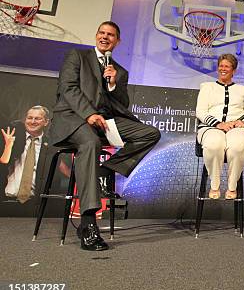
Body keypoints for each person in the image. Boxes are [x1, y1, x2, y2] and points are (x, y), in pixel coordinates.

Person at [48, 21, 161, 251]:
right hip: (74, 119)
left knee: (150, 134)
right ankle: (88, 224)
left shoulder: (120, 71)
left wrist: (112, 84)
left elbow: (122, 105)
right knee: (89, 143)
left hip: (104, 122)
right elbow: (68, 88)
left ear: (117, 41)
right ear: (96, 35)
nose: (105, 37)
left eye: (111, 35)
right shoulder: (77, 56)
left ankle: (106, 170)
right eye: (102, 32)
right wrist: (88, 114)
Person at [195, 54, 244, 200]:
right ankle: (214, 185)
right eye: (221, 66)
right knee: (214, 144)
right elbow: (200, 111)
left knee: (238, 146)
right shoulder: (207, 87)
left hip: (236, 128)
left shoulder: (243, 90)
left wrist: (242, 122)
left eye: (227, 66)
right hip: (211, 127)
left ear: (233, 70)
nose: (223, 69)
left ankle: (232, 186)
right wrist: (218, 124)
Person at [1, 106, 56, 204]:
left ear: (46, 122)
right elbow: (3, 162)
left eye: (37, 118)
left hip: (35, 202)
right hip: (8, 199)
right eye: (30, 118)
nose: (32, 121)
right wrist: (8, 145)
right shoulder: (13, 138)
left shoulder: (51, 146)